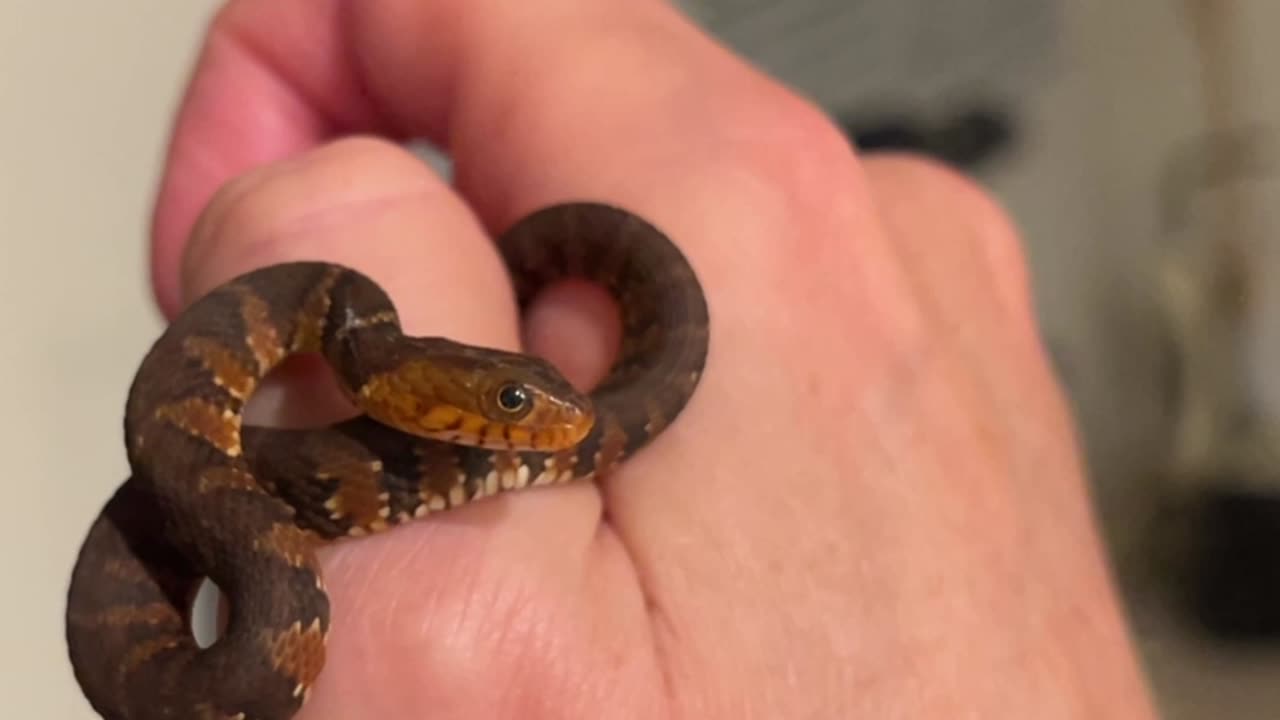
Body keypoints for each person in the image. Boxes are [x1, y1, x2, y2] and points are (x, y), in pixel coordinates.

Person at [149, 1, 1157, 716]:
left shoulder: (391, 351)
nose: (550, 423)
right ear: (415, 389)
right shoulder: (348, 335)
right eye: (509, 406)